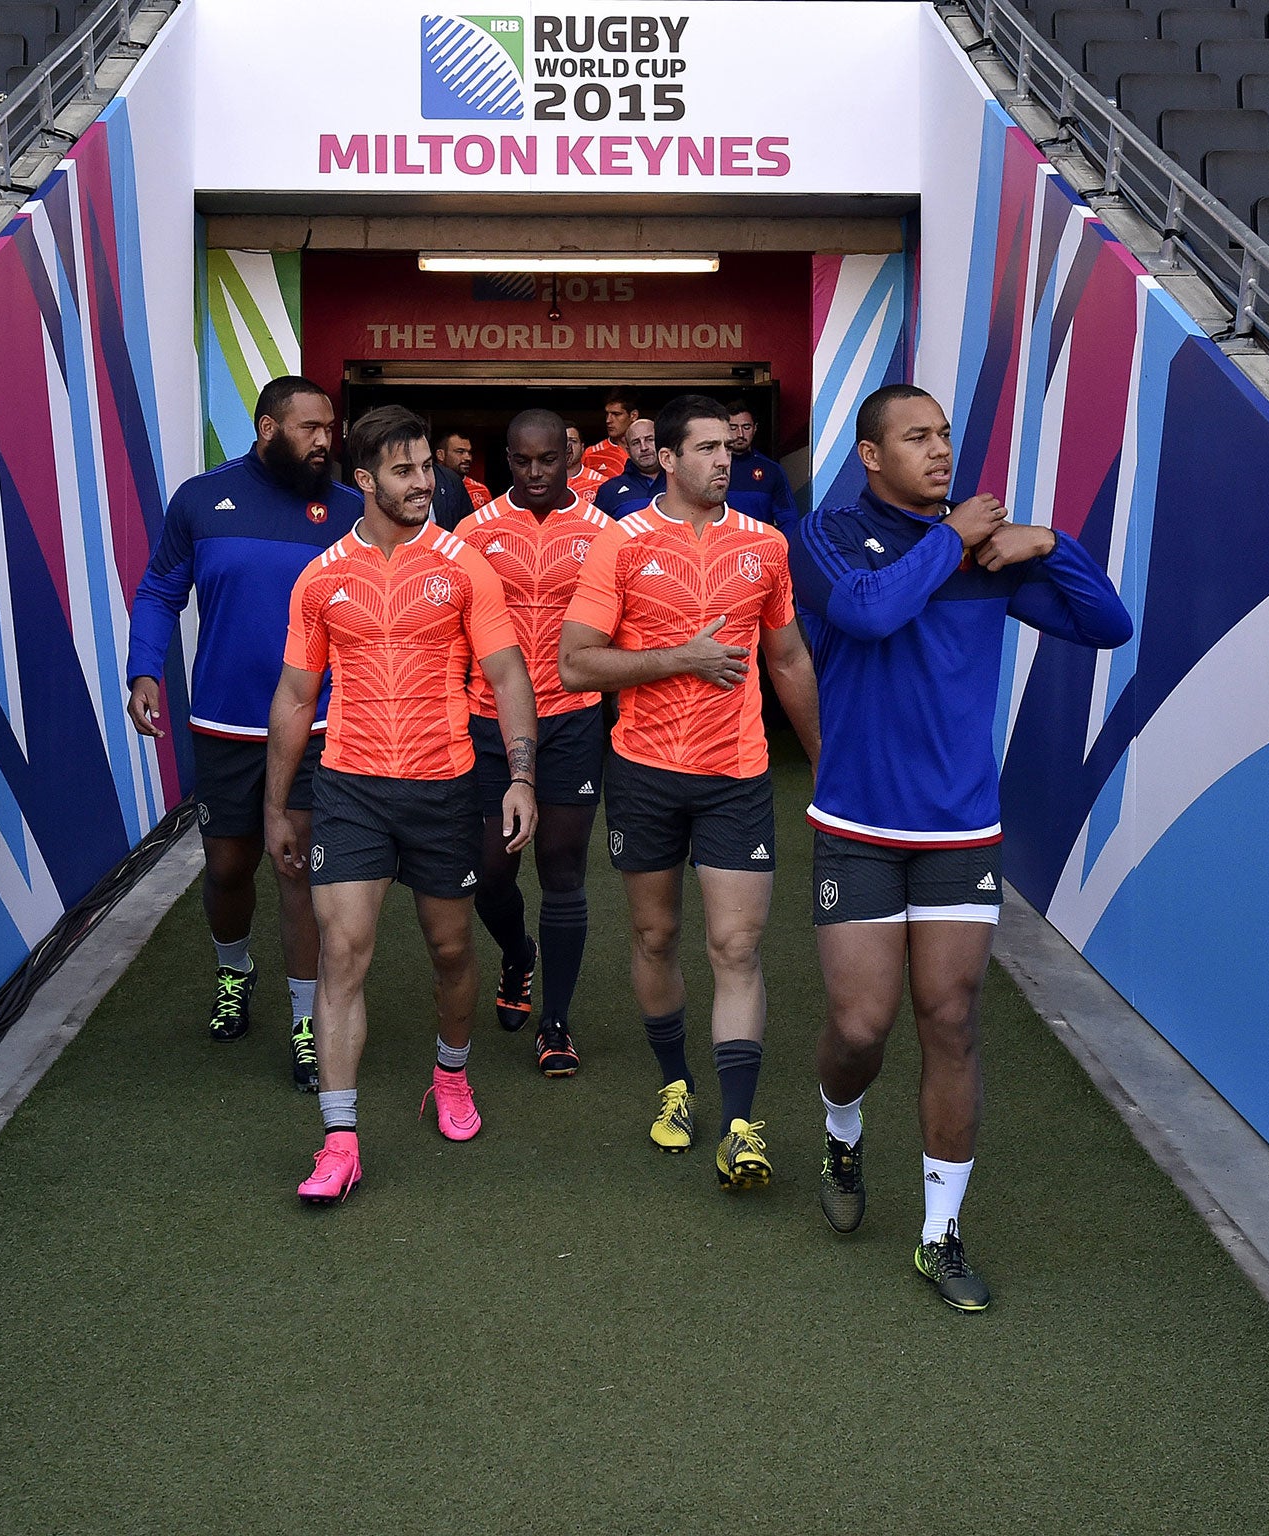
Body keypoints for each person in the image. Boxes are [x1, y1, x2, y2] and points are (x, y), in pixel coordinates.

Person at [790, 383, 1131, 1311]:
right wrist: (955, 539)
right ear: (870, 456)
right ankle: (841, 1123)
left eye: (944, 435)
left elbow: (1107, 625)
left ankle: (939, 1235)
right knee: (860, 1029)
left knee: (950, 1019)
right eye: (916, 437)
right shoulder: (823, 536)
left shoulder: (987, 553)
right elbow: (865, 613)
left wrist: (1052, 546)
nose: (940, 451)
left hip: (960, 828)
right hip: (858, 824)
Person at [265, 406, 539, 1205]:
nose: (425, 484)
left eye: (429, 469)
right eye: (406, 471)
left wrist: (519, 777)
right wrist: (279, 805)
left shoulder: (463, 566)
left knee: (450, 951)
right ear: (364, 481)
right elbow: (293, 695)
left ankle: (450, 1076)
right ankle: (339, 1141)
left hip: (442, 787)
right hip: (348, 787)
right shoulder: (322, 577)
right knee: (342, 953)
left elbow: (510, 676)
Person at [560, 394, 821, 1192]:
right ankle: (676, 1083)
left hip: (737, 774)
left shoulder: (766, 546)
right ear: (665, 460)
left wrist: (824, 759)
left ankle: (741, 1124)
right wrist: (681, 658)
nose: (723, 460)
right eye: (704, 448)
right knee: (654, 937)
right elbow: (577, 663)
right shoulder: (620, 544)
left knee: (736, 947)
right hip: (642, 772)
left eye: (727, 448)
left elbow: (788, 660)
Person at [126, 375, 359, 1091]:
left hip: (319, 724)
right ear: (266, 428)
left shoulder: (351, 509)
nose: (325, 440)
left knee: (297, 870)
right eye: (309, 428)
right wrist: (144, 672)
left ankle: (305, 1022)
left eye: (330, 428)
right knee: (229, 867)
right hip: (225, 722)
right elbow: (162, 588)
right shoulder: (201, 499)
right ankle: (235, 973)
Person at [462, 410, 619, 1076]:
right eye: (521, 462)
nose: (533, 474)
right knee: (489, 873)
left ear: (569, 458)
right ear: (506, 458)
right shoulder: (471, 533)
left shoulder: (605, 534)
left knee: (561, 871)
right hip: (485, 719)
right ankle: (517, 953)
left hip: (572, 718)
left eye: (547, 461)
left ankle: (555, 1023)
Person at [723, 400, 800, 535]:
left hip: (761, 550)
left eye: (746, 427)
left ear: (755, 428)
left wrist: (782, 548)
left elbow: (789, 519)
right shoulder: (712, 468)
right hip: (720, 549)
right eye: (733, 427)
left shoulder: (772, 470)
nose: (740, 434)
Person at [593, 415, 661, 519]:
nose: (644, 447)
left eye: (649, 440)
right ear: (628, 451)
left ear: (661, 442)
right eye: (636, 443)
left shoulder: (681, 482)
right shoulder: (609, 490)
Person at [581, 388, 639, 481]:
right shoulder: (592, 454)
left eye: (616, 414)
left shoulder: (647, 449)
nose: (608, 420)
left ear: (633, 416)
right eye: (607, 414)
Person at [438, 430, 492, 511]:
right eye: (460, 452)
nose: (468, 458)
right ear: (440, 455)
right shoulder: (429, 487)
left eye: (469, 452)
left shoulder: (480, 490)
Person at [565, 425, 609, 502]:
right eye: (563, 441)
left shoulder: (600, 482)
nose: (568, 446)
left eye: (573, 441)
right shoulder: (548, 482)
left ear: (582, 448)